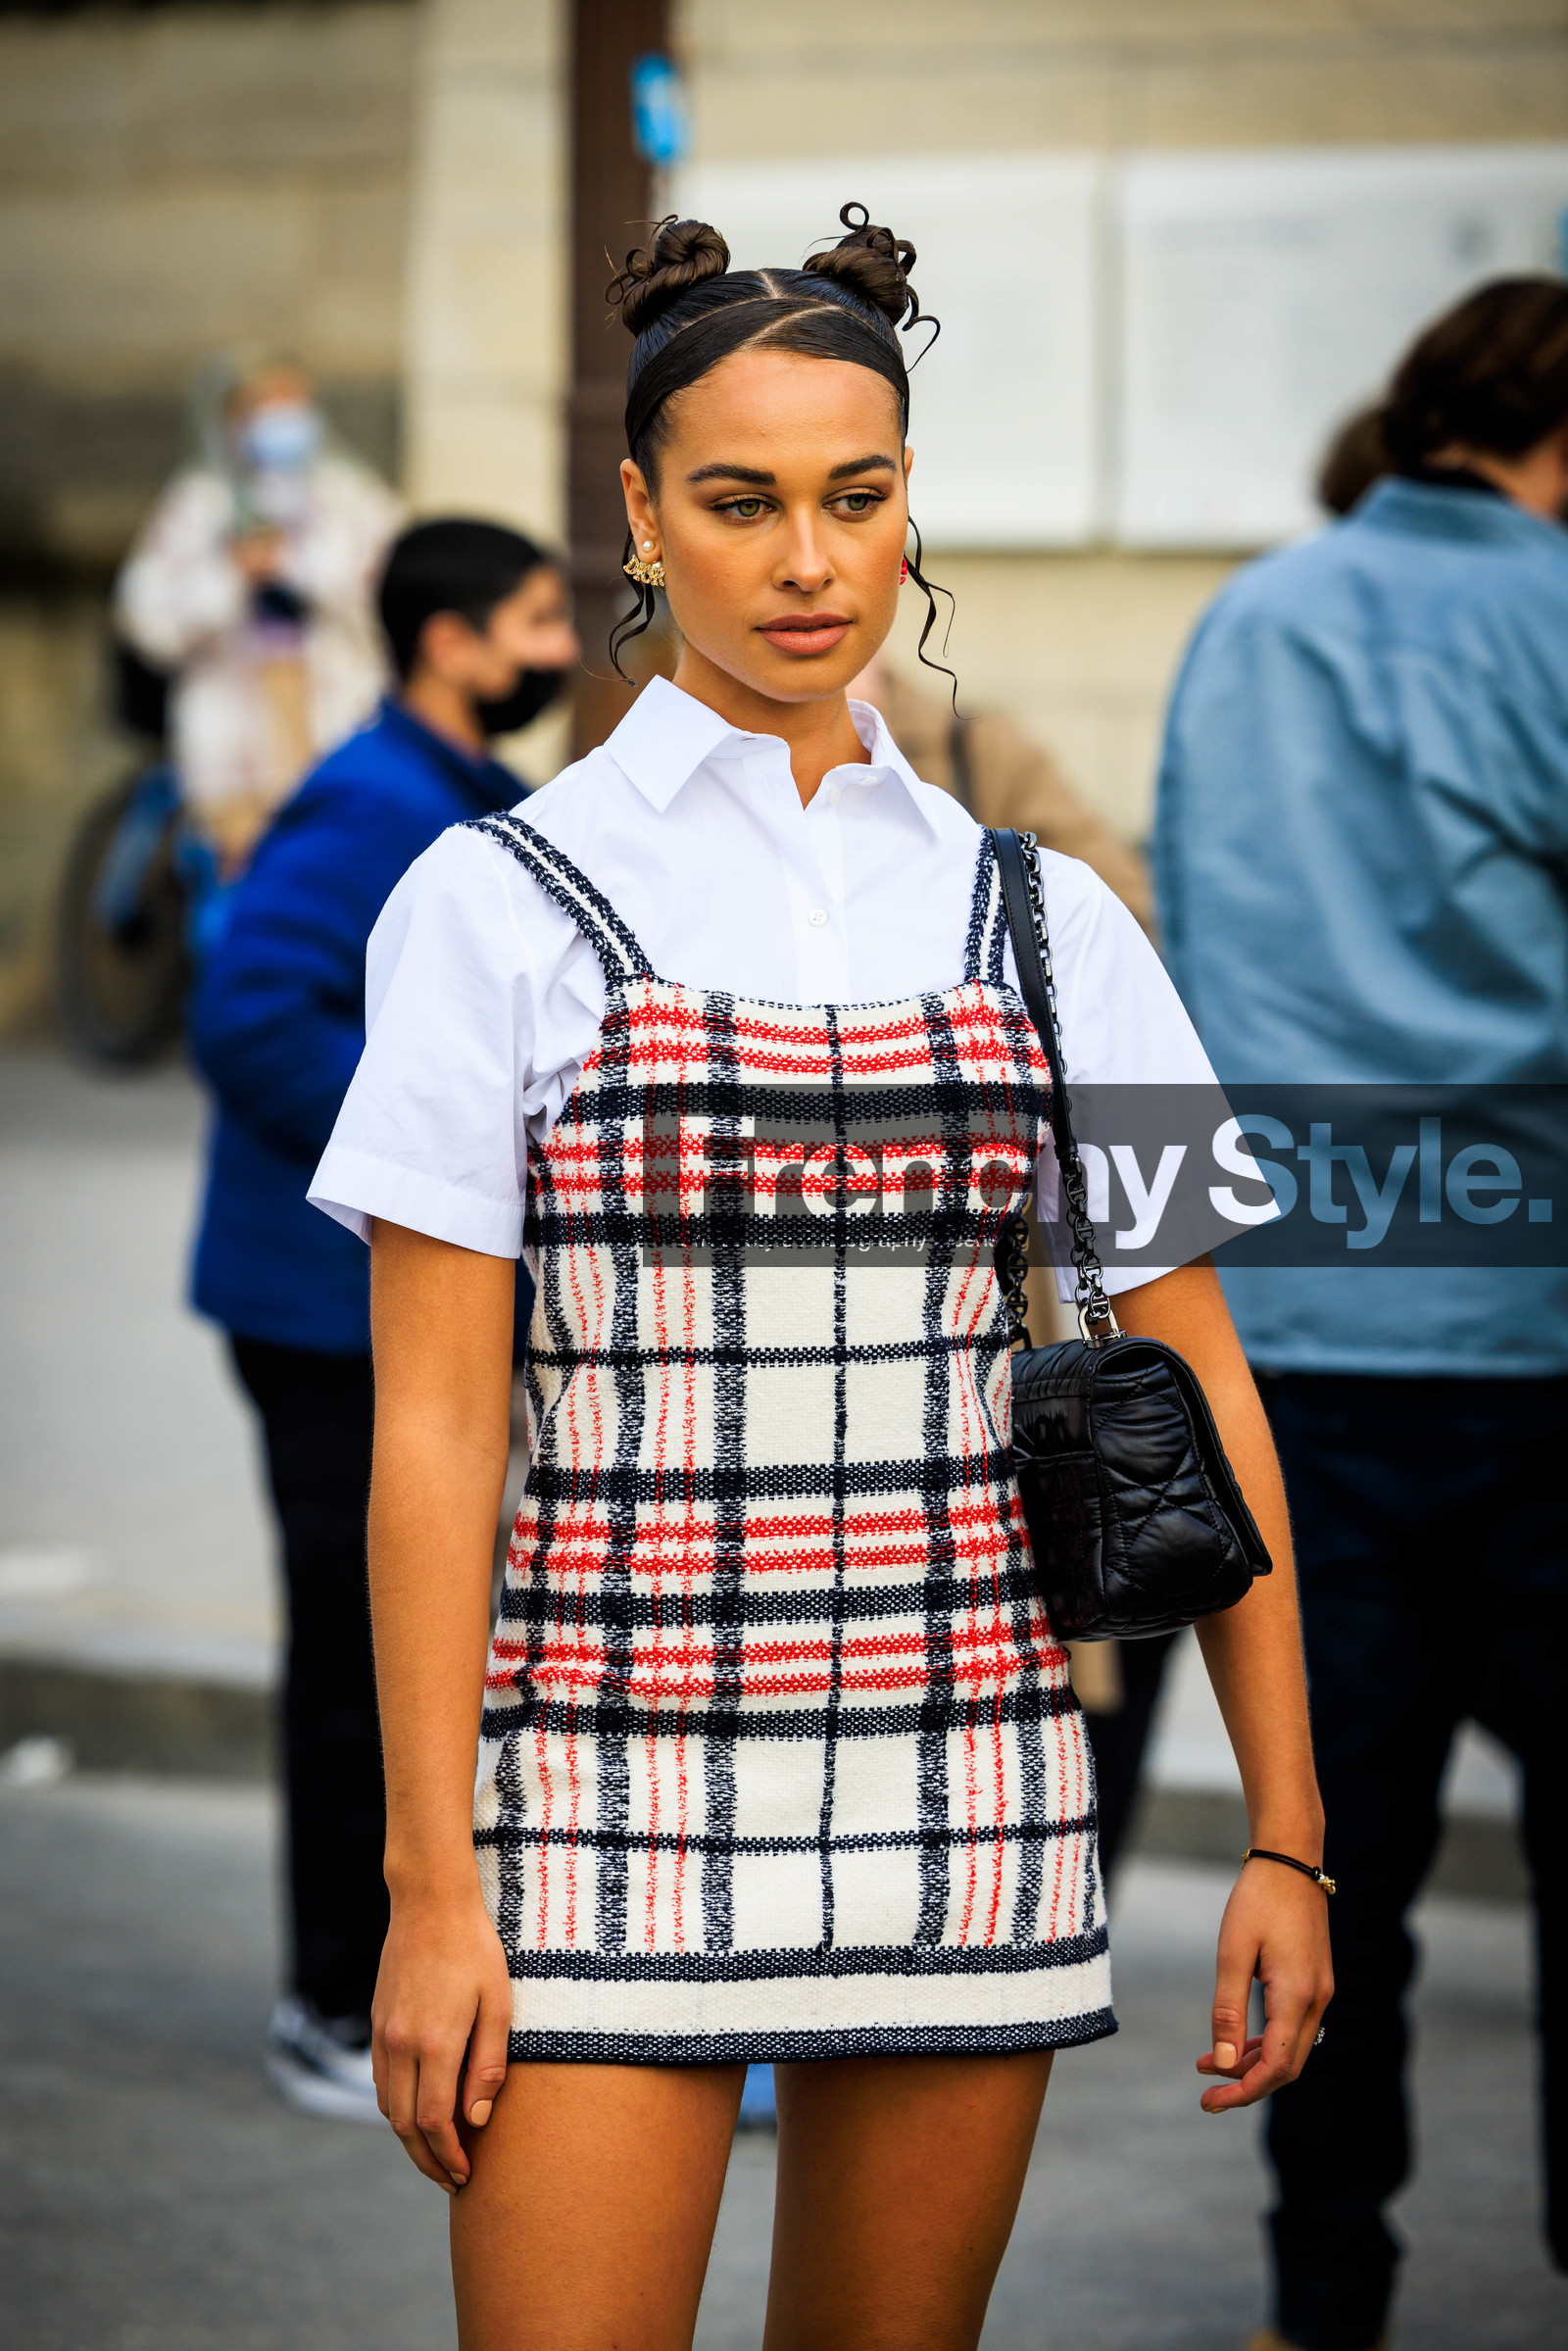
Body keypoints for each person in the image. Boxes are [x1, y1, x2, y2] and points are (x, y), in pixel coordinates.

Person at [308, 208, 1330, 2350]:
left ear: (906, 503)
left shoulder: (1052, 920)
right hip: (596, 1779)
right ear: (639, 511)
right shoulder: (487, 907)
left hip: (968, 1770)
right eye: (739, 500)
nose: (806, 561)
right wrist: (425, 1883)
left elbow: (1206, 1382)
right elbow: (433, 1429)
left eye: (855, 498)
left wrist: (1287, 1833)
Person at [1153, 275, 1568, 2351]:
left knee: (1327, 1864)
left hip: (1291, 1332)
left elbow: (1181, 969)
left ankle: (1320, 2304)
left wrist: (1167, 1305)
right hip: (1532, 1327)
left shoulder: (1247, 619)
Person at [191, 518, 578, 2120]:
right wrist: (436, 1147)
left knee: (394, 1653)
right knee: (366, 1661)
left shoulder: (452, 793)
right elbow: (247, 1010)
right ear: (450, 642)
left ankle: (364, 1976)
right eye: (536, 621)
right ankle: (334, 2000)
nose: (560, 649)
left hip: (362, 1307)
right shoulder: (373, 803)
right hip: (318, 1310)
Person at [115, 354, 405, 873]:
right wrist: (230, 575)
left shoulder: (353, 496)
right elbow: (149, 622)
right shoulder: (196, 504)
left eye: (293, 402)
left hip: (337, 720)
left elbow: (393, 596)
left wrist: (296, 564)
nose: (283, 419)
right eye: (266, 405)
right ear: (232, 420)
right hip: (233, 741)